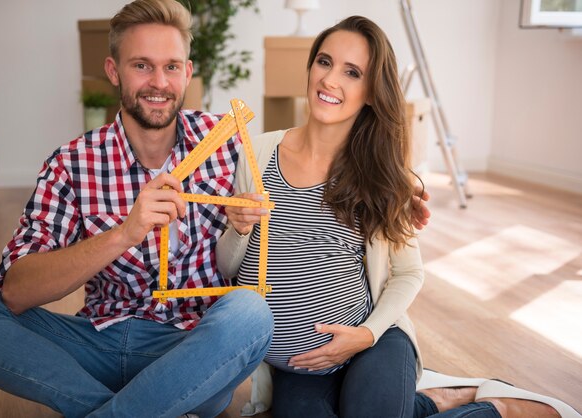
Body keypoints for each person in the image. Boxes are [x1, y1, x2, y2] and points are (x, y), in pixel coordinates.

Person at [216, 15, 581, 418]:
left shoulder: (380, 174)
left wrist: (365, 335)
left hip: (374, 339)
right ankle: (433, 402)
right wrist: (238, 228)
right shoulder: (257, 153)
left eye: (352, 72)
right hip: (301, 369)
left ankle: (498, 410)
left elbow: (409, 273)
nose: (330, 80)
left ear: (371, 92)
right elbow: (227, 267)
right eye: (324, 62)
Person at [0, 1, 274, 417]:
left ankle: (135, 402)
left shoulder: (223, 142)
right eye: (142, 65)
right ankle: (158, 404)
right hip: (96, 341)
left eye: (172, 67)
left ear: (188, 72)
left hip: (188, 345)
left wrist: (243, 224)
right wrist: (124, 233)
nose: (159, 82)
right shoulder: (73, 162)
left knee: (250, 313)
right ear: (113, 71)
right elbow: (16, 291)